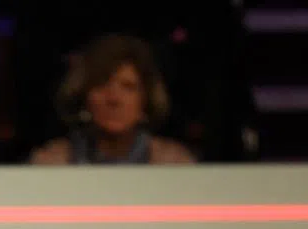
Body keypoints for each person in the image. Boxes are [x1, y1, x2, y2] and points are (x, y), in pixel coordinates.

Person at [30, 35, 194, 165]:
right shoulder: (51, 164)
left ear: (146, 100)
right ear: (83, 96)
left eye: (128, 87)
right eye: (101, 85)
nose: (114, 99)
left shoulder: (175, 165)